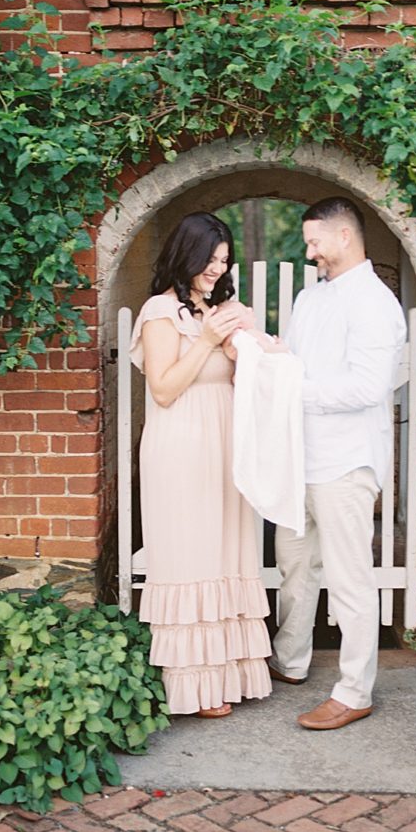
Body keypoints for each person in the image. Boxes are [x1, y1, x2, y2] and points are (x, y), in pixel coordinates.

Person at [268, 197, 407, 730]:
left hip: (347, 462)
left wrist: (293, 391)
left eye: (315, 241)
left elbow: (368, 388)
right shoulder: (311, 298)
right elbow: (298, 364)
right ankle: (291, 660)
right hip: (301, 458)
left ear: (344, 236)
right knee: (295, 565)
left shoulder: (374, 302)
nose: (310, 252)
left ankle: (354, 690)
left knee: (350, 579)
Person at [129, 211, 273, 718]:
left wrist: (252, 339)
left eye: (224, 261)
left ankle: (226, 674)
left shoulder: (221, 309)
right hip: (181, 445)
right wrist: (209, 341)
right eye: (209, 260)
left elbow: (256, 375)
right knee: (191, 555)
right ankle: (192, 683)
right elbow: (164, 389)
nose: (217, 269)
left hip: (225, 444)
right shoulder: (159, 312)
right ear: (185, 255)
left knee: (227, 552)